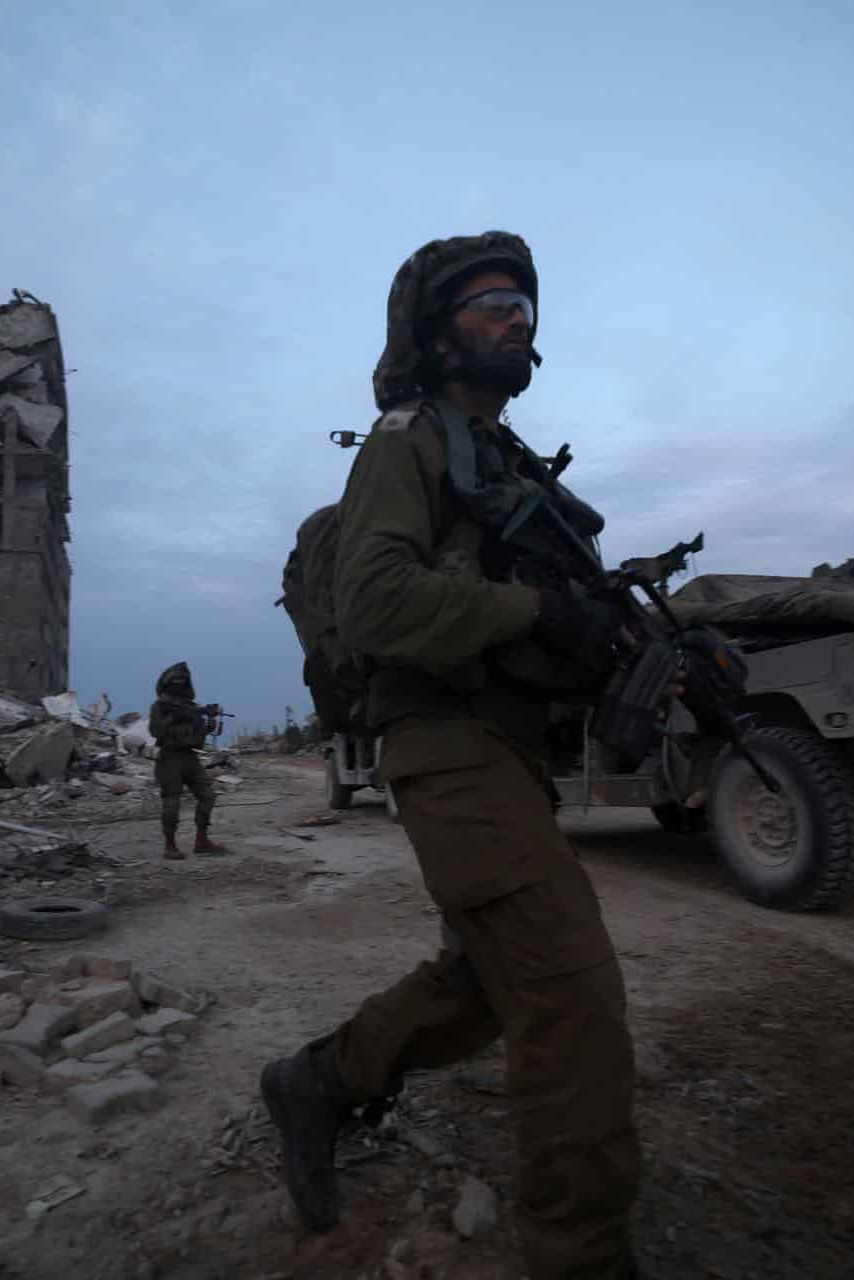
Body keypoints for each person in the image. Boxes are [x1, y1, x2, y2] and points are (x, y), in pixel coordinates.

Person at [258, 233, 650, 1278]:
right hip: (445, 741)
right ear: (437, 337)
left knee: (488, 981)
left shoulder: (509, 466)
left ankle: (321, 1082)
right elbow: (376, 600)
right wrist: (537, 607)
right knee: (569, 995)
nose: (516, 317)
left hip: (511, 750)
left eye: (524, 303)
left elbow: (545, 618)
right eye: (489, 305)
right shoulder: (407, 442)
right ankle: (582, 1254)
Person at [147, 662, 226, 859]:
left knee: (207, 796)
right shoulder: (160, 707)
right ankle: (170, 846)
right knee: (172, 802)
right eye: (176, 681)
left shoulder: (192, 708)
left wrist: (208, 722)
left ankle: (201, 841)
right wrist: (174, 717)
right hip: (169, 757)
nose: (180, 684)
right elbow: (156, 731)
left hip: (190, 757)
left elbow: (198, 735)